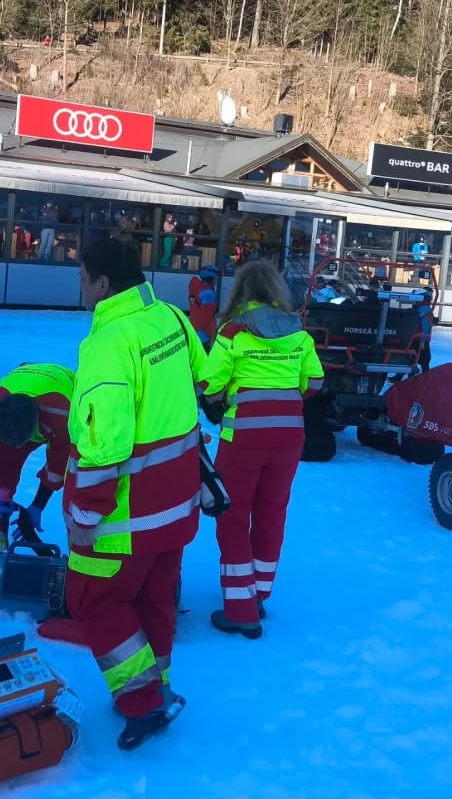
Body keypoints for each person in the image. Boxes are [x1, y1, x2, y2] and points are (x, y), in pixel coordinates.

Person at [64, 238, 205, 751]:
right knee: (154, 598)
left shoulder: (108, 341)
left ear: (102, 284)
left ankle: (145, 702)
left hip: (126, 517)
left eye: (82, 278)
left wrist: (85, 509)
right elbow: (206, 377)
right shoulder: (170, 316)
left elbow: (107, 443)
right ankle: (156, 685)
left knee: (91, 599)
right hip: (176, 508)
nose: (80, 288)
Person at [198, 261, 323, 639]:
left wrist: (226, 397)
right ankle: (258, 594)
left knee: (233, 516)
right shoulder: (299, 333)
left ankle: (241, 610)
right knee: (272, 514)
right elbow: (314, 381)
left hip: (244, 439)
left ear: (242, 292)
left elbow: (208, 385)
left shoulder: (233, 331)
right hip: (289, 437)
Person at [0, 363, 75, 554]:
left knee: (78, 479)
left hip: (62, 387)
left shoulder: (62, 418)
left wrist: (38, 506)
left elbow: (58, 467)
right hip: (25, 385)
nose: (17, 449)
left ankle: (83, 560)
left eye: (20, 443)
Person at [187, 263, 219, 348]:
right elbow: (206, 317)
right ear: (210, 279)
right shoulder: (209, 294)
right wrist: (211, 336)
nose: (216, 281)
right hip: (205, 336)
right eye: (215, 278)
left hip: (195, 331)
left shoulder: (197, 289)